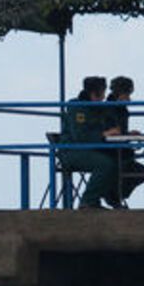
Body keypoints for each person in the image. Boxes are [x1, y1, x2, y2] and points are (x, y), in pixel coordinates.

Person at [58, 76, 116, 209]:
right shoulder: (78, 108)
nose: (104, 97)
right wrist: (103, 134)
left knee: (118, 161)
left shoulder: (94, 108)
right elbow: (80, 137)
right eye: (102, 93)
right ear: (94, 93)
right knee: (105, 164)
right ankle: (89, 201)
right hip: (72, 151)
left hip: (88, 149)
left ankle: (110, 198)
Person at [103, 75, 144, 204]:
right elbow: (110, 133)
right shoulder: (108, 109)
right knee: (142, 172)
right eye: (127, 94)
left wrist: (128, 134)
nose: (129, 99)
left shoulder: (121, 109)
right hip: (112, 152)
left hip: (122, 152)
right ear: (120, 93)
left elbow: (118, 132)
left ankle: (115, 195)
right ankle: (113, 195)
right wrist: (125, 135)